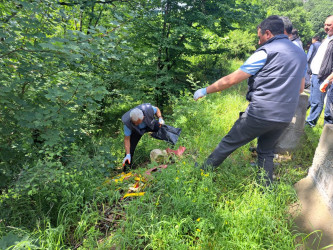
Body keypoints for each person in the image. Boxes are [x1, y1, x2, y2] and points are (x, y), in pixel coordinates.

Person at [193, 16, 307, 186]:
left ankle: (202, 171)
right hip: (285, 116)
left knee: (229, 142)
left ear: (267, 33)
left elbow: (231, 80)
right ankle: (265, 189)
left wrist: (204, 90)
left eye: (259, 36)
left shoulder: (265, 52)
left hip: (261, 113)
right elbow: (299, 89)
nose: (259, 40)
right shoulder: (301, 54)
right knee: (266, 151)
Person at [306, 15, 333, 127]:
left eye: (329, 25)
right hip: (315, 75)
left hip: (323, 77)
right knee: (312, 99)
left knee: (317, 102)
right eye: (325, 24)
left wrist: (328, 80)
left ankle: (310, 123)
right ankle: (306, 119)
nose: (326, 27)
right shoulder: (327, 38)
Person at [121, 103, 165, 170]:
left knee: (161, 127)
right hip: (136, 131)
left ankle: (172, 142)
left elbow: (157, 109)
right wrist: (127, 154)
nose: (135, 124)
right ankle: (126, 169)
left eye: (137, 122)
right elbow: (126, 139)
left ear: (143, 118)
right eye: (134, 123)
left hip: (148, 124)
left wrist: (160, 118)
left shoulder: (148, 109)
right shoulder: (128, 123)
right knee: (130, 149)